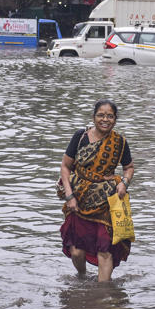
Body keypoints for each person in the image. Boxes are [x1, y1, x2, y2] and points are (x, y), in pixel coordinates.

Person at [60, 99, 134, 282]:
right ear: (94, 117)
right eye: (101, 115)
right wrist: (69, 196)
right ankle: (82, 277)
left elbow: (129, 167)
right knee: (76, 251)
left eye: (110, 116)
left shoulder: (120, 142)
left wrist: (124, 182)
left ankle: (103, 296)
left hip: (106, 202)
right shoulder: (80, 137)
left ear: (115, 120)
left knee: (105, 250)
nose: (105, 119)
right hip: (79, 200)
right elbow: (65, 166)